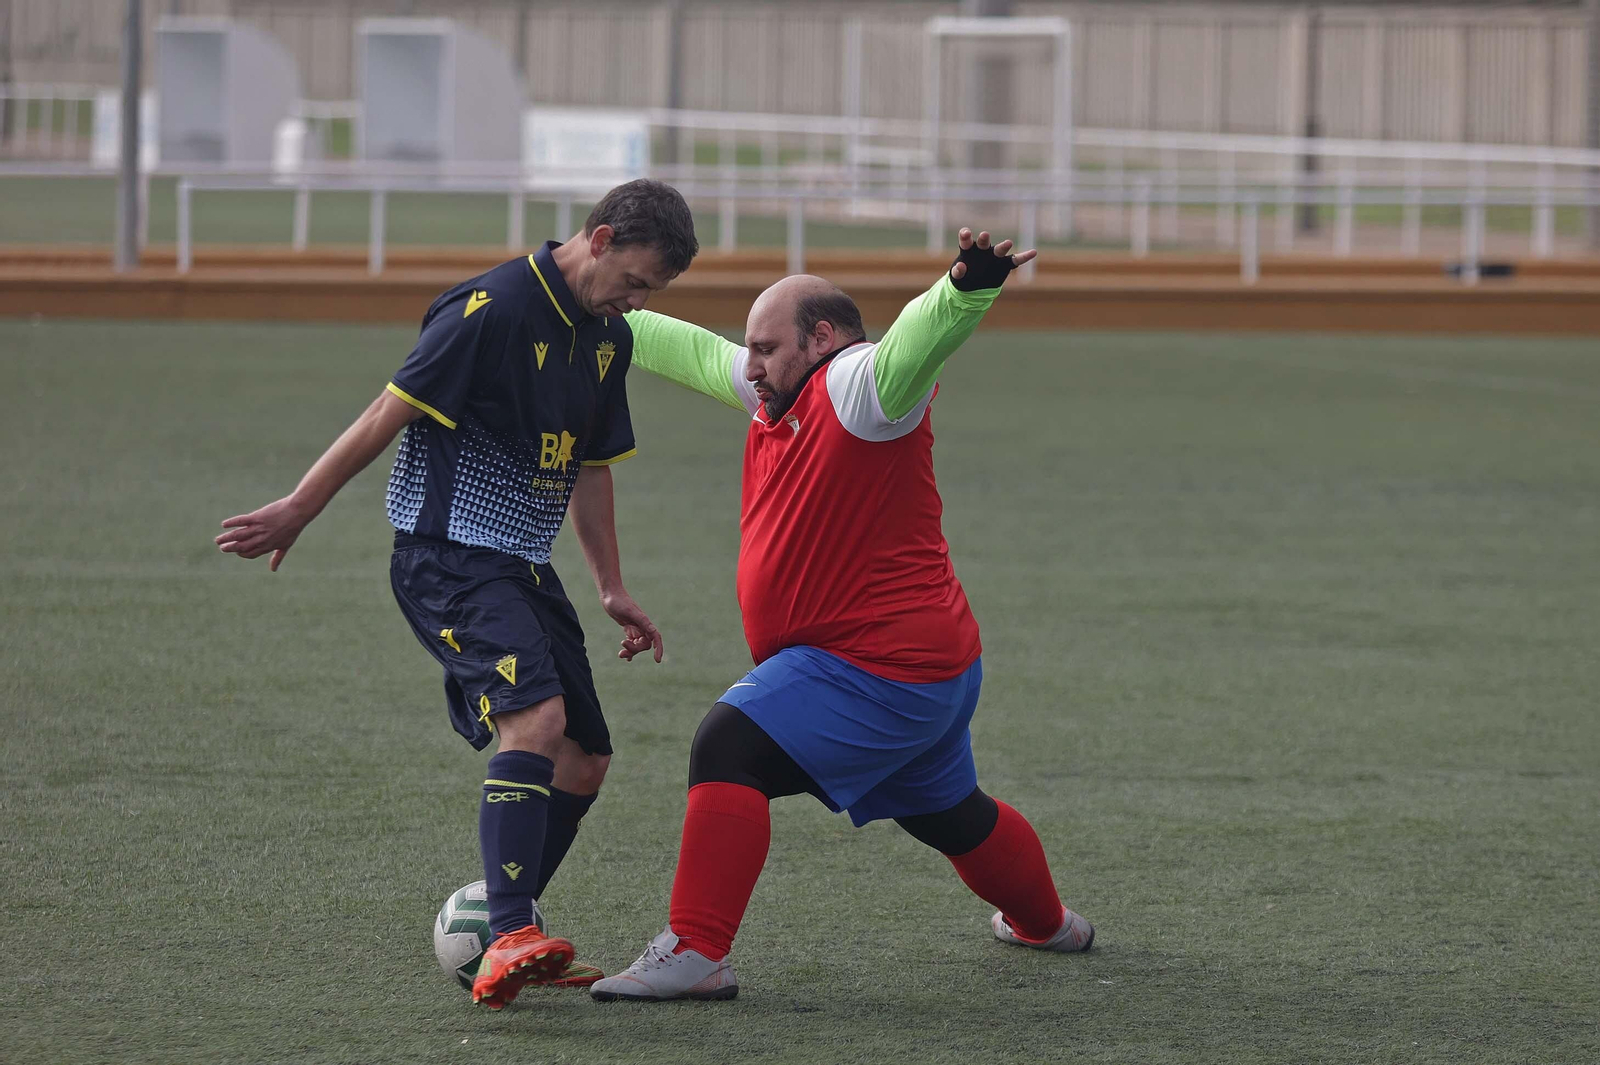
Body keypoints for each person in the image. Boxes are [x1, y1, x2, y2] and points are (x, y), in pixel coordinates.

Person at [215, 179, 698, 1010]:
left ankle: (509, 927)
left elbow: (589, 466)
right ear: (603, 235)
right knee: (537, 721)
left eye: (651, 290)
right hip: (447, 557)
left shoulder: (608, 339)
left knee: (585, 760)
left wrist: (611, 585)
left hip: (521, 565)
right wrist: (300, 506)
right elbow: (384, 413)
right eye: (637, 279)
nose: (638, 299)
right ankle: (509, 929)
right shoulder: (493, 306)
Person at [588, 229, 1094, 1003]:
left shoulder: (861, 386)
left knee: (729, 743)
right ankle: (1048, 923)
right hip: (930, 668)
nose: (747, 363)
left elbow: (913, 347)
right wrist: (587, 297)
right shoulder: (777, 387)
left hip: (880, 669)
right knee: (952, 814)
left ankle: (697, 949)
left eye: (764, 347)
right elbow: (683, 347)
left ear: (823, 338)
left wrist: (964, 286)